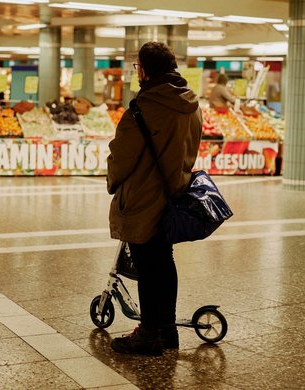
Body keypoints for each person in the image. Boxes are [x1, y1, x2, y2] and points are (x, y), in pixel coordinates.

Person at [106, 42, 201, 356]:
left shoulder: (142, 107)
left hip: (144, 196)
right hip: (175, 193)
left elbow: (121, 156)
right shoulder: (191, 103)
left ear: (144, 69)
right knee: (164, 262)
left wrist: (112, 182)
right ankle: (166, 330)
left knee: (147, 265)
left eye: (137, 67)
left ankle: (148, 334)